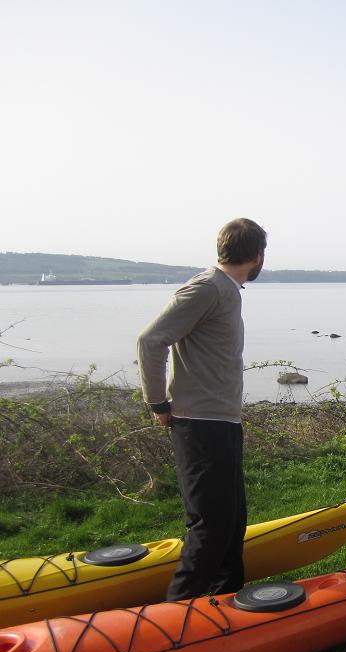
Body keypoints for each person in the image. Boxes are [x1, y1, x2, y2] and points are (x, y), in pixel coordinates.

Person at [137, 218, 267, 601]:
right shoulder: (208, 288)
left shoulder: (226, 290)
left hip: (223, 423)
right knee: (211, 526)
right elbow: (150, 341)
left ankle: (227, 600)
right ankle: (176, 613)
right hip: (199, 425)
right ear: (258, 256)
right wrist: (158, 402)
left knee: (232, 521)